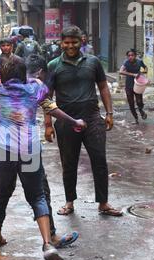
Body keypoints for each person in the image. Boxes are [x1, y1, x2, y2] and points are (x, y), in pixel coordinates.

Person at [0, 56, 85, 260]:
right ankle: (47, 244)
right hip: (30, 149)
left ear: (4, 76)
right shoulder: (36, 89)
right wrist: (75, 121)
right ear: (23, 75)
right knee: (37, 197)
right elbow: (48, 100)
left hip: (4, 150)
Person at [44, 25, 122, 217]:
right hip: (66, 121)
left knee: (100, 161)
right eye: (67, 42)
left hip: (93, 119)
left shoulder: (93, 62)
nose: (70, 45)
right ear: (61, 43)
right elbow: (46, 96)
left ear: (82, 41)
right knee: (69, 163)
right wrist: (47, 124)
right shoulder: (53, 65)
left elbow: (103, 88)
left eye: (74, 42)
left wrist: (109, 113)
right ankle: (69, 202)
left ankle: (103, 203)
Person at [119, 49, 148, 124]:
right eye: (129, 56)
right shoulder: (126, 62)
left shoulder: (139, 61)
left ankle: (141, 111)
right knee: (131, 102)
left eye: (132, 55)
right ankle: (136, 118)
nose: (130, 57)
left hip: (138, 84)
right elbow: (121, 71)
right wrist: (133, 74)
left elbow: (145, 67)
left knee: (139, 101)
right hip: (129, 85)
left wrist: (143, 72)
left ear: (135, 56)